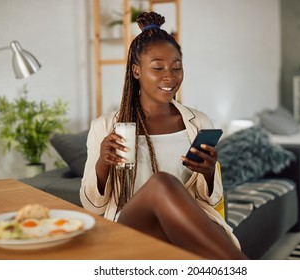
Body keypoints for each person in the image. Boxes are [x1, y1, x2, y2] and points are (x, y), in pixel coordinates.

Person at [80, 11, 247, 260]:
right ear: (136, 71)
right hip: (133, 226)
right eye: (158, 67)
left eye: (176, 67)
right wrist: (103, 163)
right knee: (162, 183)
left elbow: (212, 201)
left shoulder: (198, 123)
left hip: (182, 225)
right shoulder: (105, 128)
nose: (169, 76)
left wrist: (210, 173)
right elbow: (92, 206)